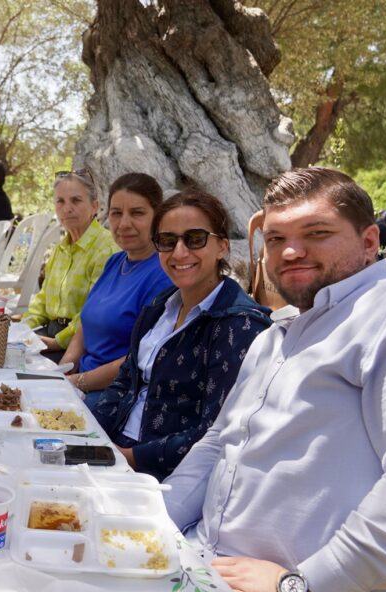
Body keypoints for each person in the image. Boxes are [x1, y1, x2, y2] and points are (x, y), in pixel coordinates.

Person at [164, 167, 386, 592]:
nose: (290, 251)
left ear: (370, 242)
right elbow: (219, 444)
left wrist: (302, 590)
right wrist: (151, 522)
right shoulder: (275, 335)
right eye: (276, 237)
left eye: (316, 233)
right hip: (209, 573)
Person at [91, 189, 270, 481]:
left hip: (166, 473)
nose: (179, 252)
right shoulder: (160, 307)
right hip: (115, 446)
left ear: (222, 247)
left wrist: (129, 458)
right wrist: (89, 435)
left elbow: (215, 429)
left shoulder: (238, 325)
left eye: (195, 239)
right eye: (167, 241)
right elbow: (125, 383)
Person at [62, 173, 173, 409]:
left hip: (115, 395)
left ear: (158, 216)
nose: (124, 224)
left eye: (137, 213)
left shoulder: (163, 275)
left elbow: (139, 359)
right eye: (116, 213)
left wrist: (76, 382)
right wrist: (62, 370)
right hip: (78, 379)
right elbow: (84, 324)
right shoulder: (116, 261)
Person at [22, 170, 118, 362]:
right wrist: (23, 327)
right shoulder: (61, 248)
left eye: (76, 200)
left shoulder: (106, 249)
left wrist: (56, 341)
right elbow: (43, 299)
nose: (67, 209)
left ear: (95, 206)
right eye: (61, 201)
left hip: (79, 345)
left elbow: (92, 313)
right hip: (48, 333)